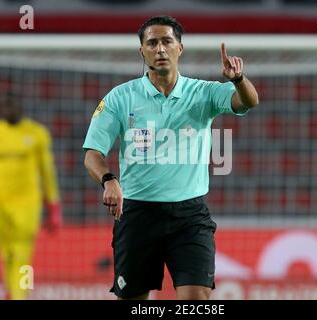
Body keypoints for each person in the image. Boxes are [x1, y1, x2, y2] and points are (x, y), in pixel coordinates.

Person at [83, 15, 258, 300]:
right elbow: (92, 154)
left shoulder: (202, 92)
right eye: (152, 43)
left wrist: (238, 79)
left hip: (190, 217)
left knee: (197, 299)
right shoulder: (120, 98)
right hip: (138, 214)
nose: (160, 49)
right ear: (142, 52)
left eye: (167, 41)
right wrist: (108, 179)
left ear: (180, 48)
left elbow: (248, 101)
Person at [0, 92, 63, 300]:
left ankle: (21, 295)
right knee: (6, 254)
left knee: (22, 255)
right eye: (3, 107)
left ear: (21, 108)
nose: (8, 110)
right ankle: (12, 292)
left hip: (28, 205)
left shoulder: (37, 134)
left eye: (12, 106)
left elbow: (48, 172)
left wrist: (54, 207)